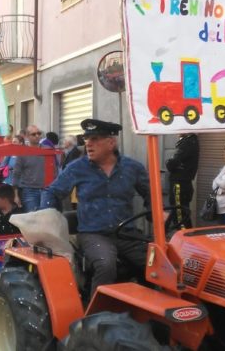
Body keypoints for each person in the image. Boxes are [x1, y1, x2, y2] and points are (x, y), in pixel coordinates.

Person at [41, 119, 150, 294]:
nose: (88, 144)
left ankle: (149, 308)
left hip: (127, 233)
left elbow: (151, 192)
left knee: (156, 265)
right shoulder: (76, 168)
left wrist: (160, 212)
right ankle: (96, 316)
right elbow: (52, 192)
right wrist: (47, 217)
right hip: (93, 234)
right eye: (86, 139)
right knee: (106, 265)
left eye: (95, 139)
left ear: (111, 142)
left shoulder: (133, 168)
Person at [165, 133, 198, 229]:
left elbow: (171, 164)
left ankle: (185, 241)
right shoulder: (190, 141)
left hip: (180, 183)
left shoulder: (187, 142)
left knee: (180, 219)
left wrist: (169, 162)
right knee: (180, 214)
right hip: (182, 183)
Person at [12, 125, 47, 212]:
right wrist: (16, 195)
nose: (37, 136)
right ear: (27, 136)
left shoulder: (47, 150)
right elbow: (16, 173)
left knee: (46, 220)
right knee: (32, 221)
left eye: (39, 133)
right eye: (34, 134)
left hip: (46, 190)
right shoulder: (22, 152)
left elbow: (55, 170)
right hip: (29, 191)